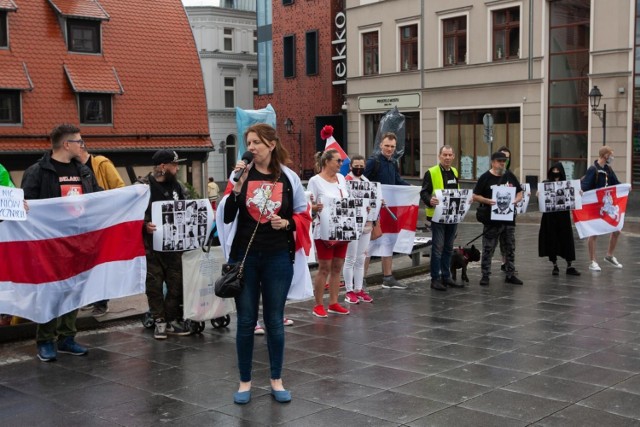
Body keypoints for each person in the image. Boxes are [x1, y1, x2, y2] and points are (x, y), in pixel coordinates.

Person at [223, 123, 309, 405]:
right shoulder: (240, 176)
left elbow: (303, 215)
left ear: (271, 145)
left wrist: (286, 223)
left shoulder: (289, 178)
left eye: (256, 142)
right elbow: (226, 217)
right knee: (246, 321)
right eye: (248, 142)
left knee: (274, 320)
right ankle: (245, 381)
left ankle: (276, 379)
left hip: (277, 257)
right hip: (244, 258)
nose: (251, 147)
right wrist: (235, 188)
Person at [21, 123, 102, 362]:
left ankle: (67, 337)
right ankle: (45, 340)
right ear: (66, 144)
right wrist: (21, 205)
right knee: (50, 292)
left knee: (74, 289)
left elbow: (98, 197)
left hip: (79, 241)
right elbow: (25, 204)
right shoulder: (37, 171)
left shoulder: (84, 171)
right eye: (79, 141)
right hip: (50, 244)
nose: (82, 145)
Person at [139, 149, 191, 340]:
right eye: (174, 165)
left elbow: (186, 209)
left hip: (174, 247)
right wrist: (144, 225)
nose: (177, 168)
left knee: (176, 285)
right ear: (163, 166)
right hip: (151, 248)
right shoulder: (143, 187)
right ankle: (159, 321)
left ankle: (170, 320)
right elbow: (131, 216)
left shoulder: (177, 187)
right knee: (154, 286)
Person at [78, 149, 125, 317]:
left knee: (101, 262)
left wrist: (105, 205)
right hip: (85, 223)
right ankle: (93, 297)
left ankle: (102, 302)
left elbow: (119, 187)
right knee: (88, 262)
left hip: (103, 221)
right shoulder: (74, 168)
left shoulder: (102, 164)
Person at [308, 149, 351, 317]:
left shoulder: (341, 179)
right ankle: (318, 304)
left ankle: (334, 302)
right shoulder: (315, 181)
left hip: (342, 228)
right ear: (327, 162)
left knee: (337, 266)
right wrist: (315, 207)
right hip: (324, 229)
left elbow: (347, 200)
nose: (341, 164)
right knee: (324, 267)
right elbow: (308, 204)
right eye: (338, 161)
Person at [363, 132, 409, 290]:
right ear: (380, 145)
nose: (389, 149)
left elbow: (397, 181)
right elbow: (361, 183)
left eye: (392, 147)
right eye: (387, 146)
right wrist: (373, 198)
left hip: (388, 209)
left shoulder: (393, 163)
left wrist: (413, 189)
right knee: (368, 243)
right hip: (373, 211)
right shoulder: (372, 162)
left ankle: (388, 277)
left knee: (388, 241)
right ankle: (360, 279)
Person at [472, 151, 523, 286]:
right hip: (491, 221)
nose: (502, 163)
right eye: (499, 161)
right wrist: (488, 201)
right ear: (493, 162)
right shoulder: (485, 177)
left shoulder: (509, 176)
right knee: (488, 248)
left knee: (510, 248)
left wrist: (516, 200)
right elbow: (475, 196)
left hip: (508, 220)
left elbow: (519, 191)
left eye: (504, 161)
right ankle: (485, 275)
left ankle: (510, 274)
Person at [420, 145, 464, 291]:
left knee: (448, 248)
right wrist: (429, 200)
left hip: (452, 216)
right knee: (438, 248)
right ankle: (435, 279)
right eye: (444, 155)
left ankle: (447, 276)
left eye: (449, 155)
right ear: (439, 156)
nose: (447, 157)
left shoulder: (454, 172)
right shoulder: (431, 172)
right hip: (437, 216)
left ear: (453, 157)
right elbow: (424, 192)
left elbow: (457, 192)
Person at [581, 145, 622, 271]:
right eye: (611, 154)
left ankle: (609, 255)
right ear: (606, 155)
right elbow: (585, 185)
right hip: (595, 205)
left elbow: (616, 183)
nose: (612, 157)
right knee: (594, 233)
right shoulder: (593, 169)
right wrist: (581, 191)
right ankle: (593, 261)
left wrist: (625, 187)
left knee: (616, 229)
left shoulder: (608, 169)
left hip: (606, 204)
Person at [538, 163, 580, 276]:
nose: (556, 172)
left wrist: (578, 193)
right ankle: (554, 265)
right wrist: (539, 195)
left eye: (558, 170)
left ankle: (569, 265)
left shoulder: (567, 184)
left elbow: (573, 198)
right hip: (549, 217)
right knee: (551, 239)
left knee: (566, 239)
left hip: (563, 217)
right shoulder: (545, 183)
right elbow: (541, 200)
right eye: (554, 170)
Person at [343, 155, 374, 304]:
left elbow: (371, 200)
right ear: (351, 166)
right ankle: (349, 290)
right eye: (356, 165)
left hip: (365, 224)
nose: (359, 168)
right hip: (351, 223)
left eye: (362, 166)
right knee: (350, 258)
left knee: (361, 258)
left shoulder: (366, 181)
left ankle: (358, 288)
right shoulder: (345, 181)